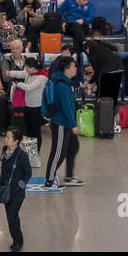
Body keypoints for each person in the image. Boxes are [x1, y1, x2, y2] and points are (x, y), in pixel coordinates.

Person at [43, 57, 81, 189]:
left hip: (65, 122)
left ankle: (69, 176)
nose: (76, 68)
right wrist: (73, 124)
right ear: (67, 69)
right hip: (61, 123)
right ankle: (50, 180)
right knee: (58, 152)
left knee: (73, 147)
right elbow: (66, 107)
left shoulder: (65, 83)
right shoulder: (62, 85)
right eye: (74, 66)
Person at [0, 127, 32, 252]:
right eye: (6, 136)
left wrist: (20, 185)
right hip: (6, 190)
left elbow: (28, 173)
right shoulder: (5, 150)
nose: (5, 139)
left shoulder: (22, 155)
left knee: (12, 216)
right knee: (11, 216)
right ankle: (16, 238)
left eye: (8, 137)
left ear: (16, 141)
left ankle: (18, 240)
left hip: (17, 193)